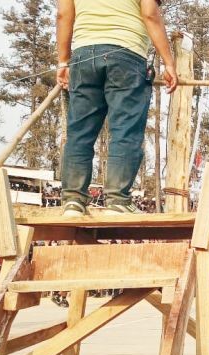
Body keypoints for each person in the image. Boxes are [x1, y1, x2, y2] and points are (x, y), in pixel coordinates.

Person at [56, 0, 177, 216]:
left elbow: (64, 15)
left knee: (79, 133)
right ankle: (117, 201)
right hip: (126, 54)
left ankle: (73, 201)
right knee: (124, 131)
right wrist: (169, 63)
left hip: (84, 56)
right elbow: (150, 14)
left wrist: (63, 61)